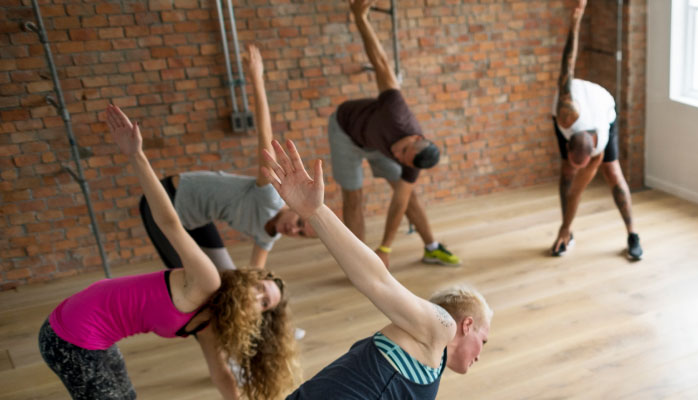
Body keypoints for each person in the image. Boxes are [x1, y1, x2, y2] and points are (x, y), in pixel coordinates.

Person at [39, 104, 299, 400]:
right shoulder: (207, 280)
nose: (257, 298)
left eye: (264, 303)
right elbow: (170, 223)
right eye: (260, 289)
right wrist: (136, 156)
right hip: (71, 335)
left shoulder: (208, 325)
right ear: (247, 280)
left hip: (92, 331)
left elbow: (221, 374)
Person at [259, 140, 492, 400]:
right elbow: (376, 280)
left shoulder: (426, 358)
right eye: (483, 341)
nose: (480, 354)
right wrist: (316, 212)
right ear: (467, 325)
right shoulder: (441, 327)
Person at [138, 45, 313, 273]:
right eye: (299, 223)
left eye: (299, 234)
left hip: (196, 219)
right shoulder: (270, 196)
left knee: (230, 281)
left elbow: (254, 275)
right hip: (165, 200)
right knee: (195, 281)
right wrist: (256, 78)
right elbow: (265, 136)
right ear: (295, 208)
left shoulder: (269, 236)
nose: (293, 229)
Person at [330, 0, 460, 267]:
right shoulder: (395, 110)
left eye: (404, 161)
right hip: (346, 129)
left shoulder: (411, 160)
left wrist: (386, 247)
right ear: (415, 138)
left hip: (374, 142)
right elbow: (379, 59)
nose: (398, 159)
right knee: (353, 196)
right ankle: (358, 264)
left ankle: (432, 247)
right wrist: (360, 17)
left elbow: (398, 202)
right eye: (402, 154)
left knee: (408, 195)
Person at [550, 0, 643, 261]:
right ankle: (567, 232)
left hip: (603, 105)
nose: (579, 166)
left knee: (613, 173)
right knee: (567, 174)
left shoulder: (599, 143)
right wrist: (575, 22)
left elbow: (579, 189)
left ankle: (632, 233)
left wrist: (563, 227)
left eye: (584, 163)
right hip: (577, 102)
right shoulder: (566, 113)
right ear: (567, 145)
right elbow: (567, 64)